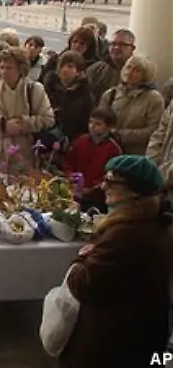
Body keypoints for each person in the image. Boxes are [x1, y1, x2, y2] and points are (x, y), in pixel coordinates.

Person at [58, 155, 171, 368]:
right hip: (143, 334)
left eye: (111, 182)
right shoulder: (154, 222)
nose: (103, 186)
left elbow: (86, 285)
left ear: (134, 191)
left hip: (115, 343)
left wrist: (81, 260)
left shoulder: (125, 234)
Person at [0, 46, 55, 175]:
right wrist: (2, 124)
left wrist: (24, 124)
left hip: (23, 154)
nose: (4, 72)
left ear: (20, 69)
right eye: (2, 67)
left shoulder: (34, 89)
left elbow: (48, 119)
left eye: (9, 68)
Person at [98, 54, 164, 155]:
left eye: (137, 70)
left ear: (145, 74)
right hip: (108, 150)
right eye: (128, 67)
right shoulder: (111, 94)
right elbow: (99, 119)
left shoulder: (154, 99)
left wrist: (120, 135)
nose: (130, 72)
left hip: (135, 154)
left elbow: (153, 131)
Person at [63, 108, 122, 212]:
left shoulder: (113, 149)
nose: (92, 126)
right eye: (90, 122)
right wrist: (70, 177)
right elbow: (69, 162)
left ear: (109, 127)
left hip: (98, 199)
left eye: (98, 124)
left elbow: (111, 175)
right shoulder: (80, 141)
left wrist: (92, 189)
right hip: (74, 193)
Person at [42, 50, 94, 142]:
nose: (65, 69)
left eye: (70, 66)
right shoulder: (49, 87)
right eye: (62, 66)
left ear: (78, 71)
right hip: (46, 134)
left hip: (72, 138)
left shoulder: (84, 93)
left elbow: (85, 121)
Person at [86, 28, 136, 103]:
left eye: (122, 44)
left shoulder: (139, 72)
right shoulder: (96, 69)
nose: (116, 47)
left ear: (132, 48)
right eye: (113, 43)